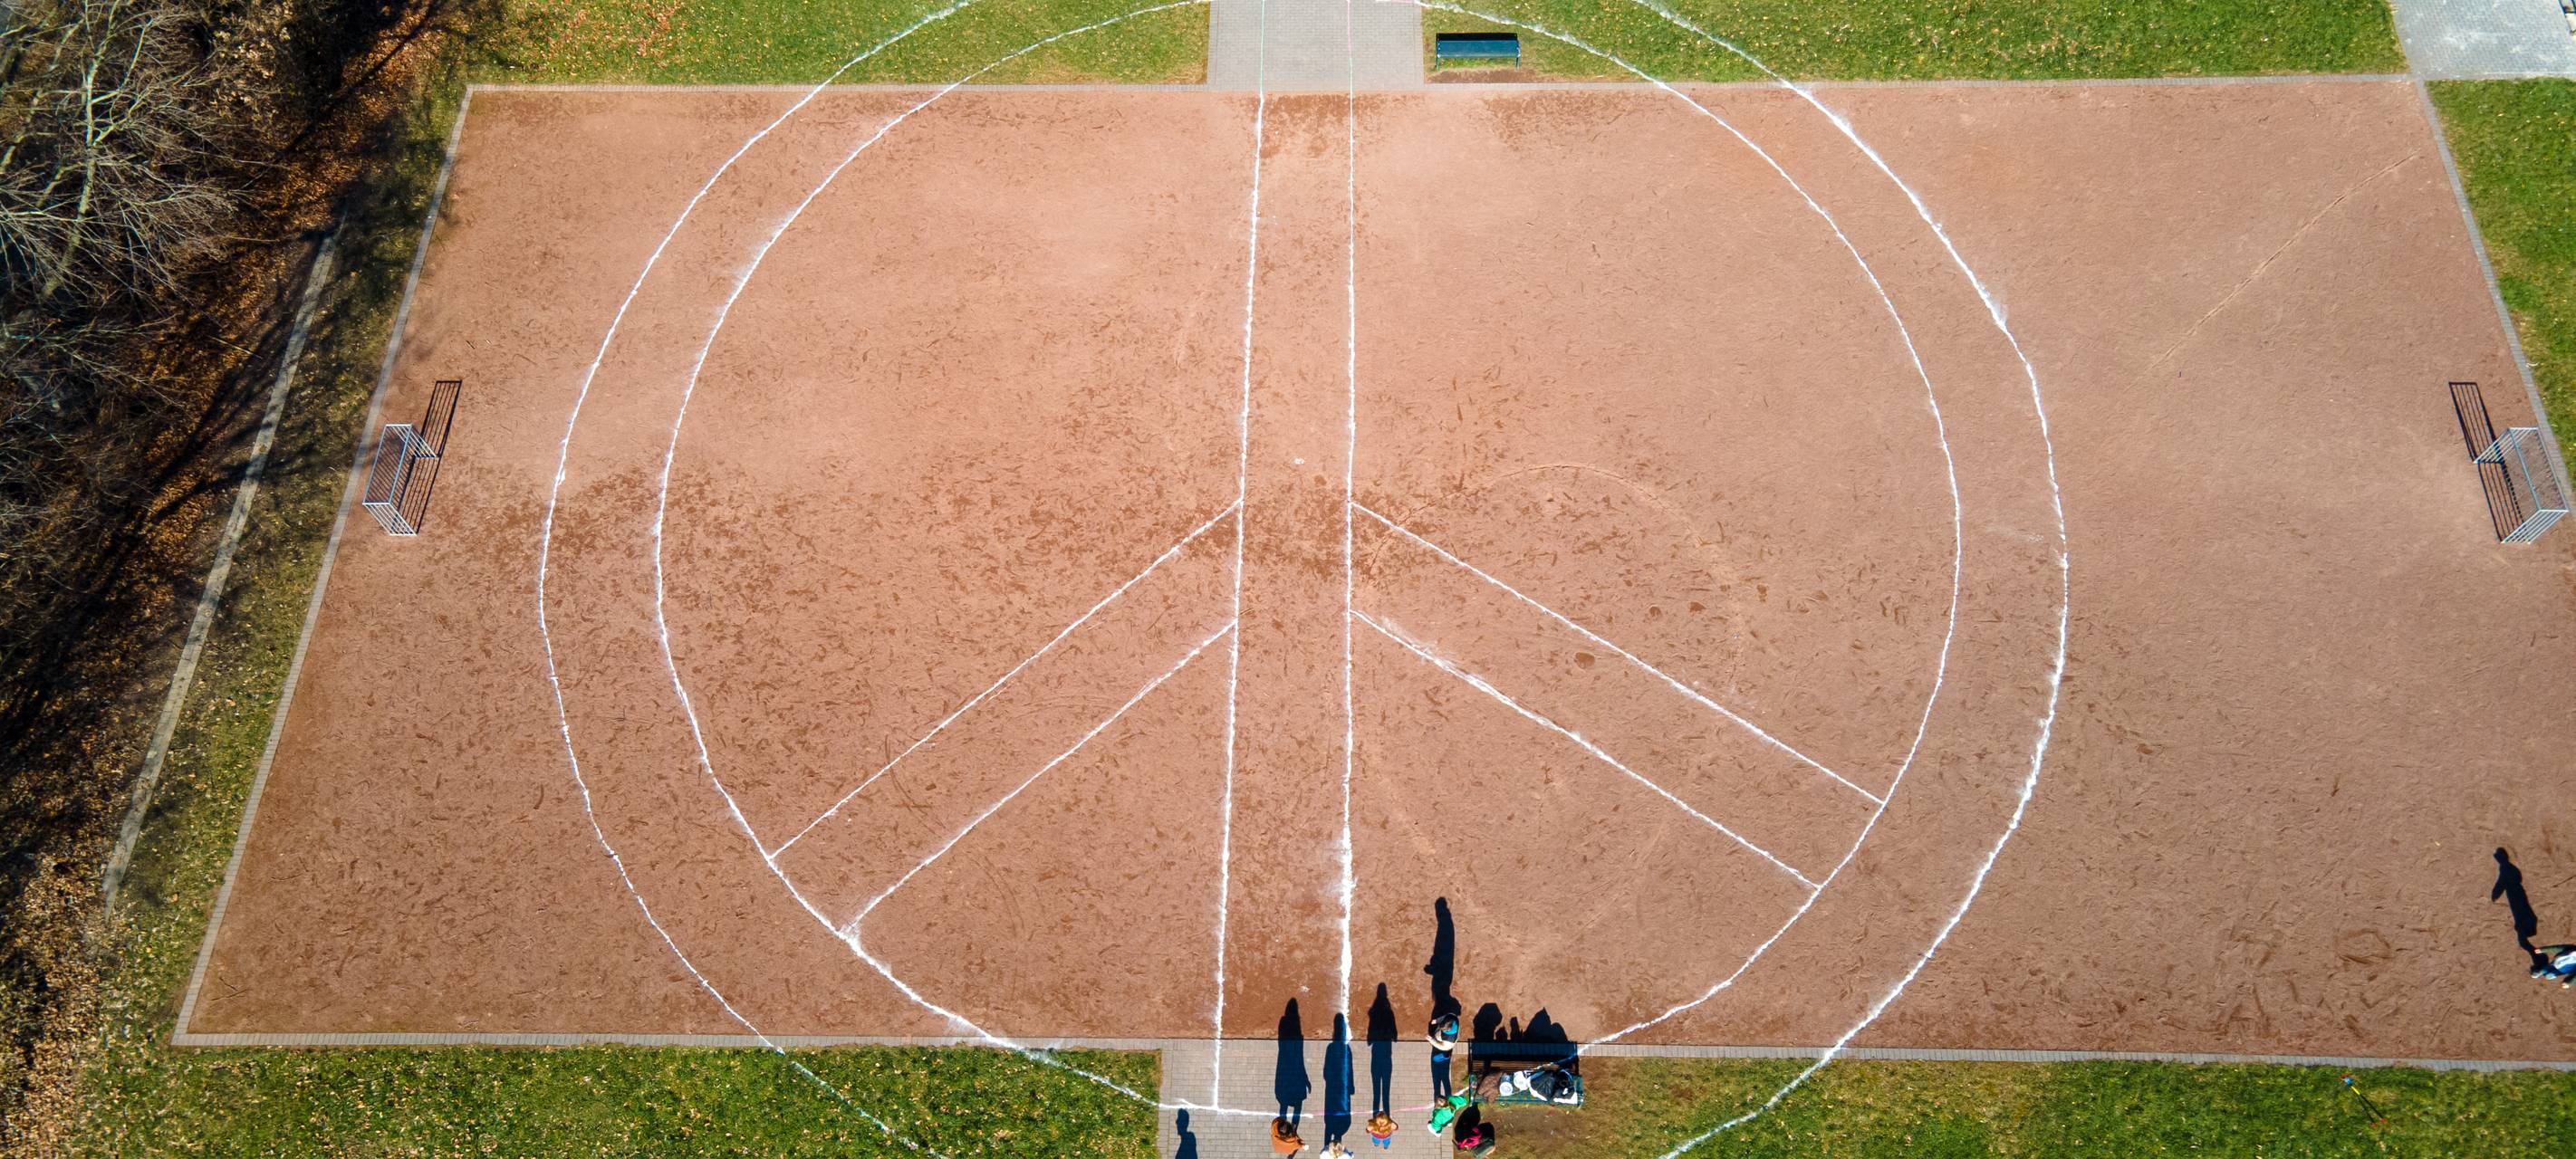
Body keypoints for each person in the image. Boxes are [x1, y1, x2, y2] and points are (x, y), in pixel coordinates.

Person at [1427, 1011, 1461, 1100]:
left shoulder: (1449, 1040)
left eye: (1444, 1030)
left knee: (1442, 1080)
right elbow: (1446, 1016)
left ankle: (1441, 1101)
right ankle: (1447, 1099)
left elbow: (1441, 1046)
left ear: (1448, 1030)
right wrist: (1437, 1020)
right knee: (1444, 1078)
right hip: (1444, 1048)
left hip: (1443, 1049)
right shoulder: (1452, 1018)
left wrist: (1432, 1040)